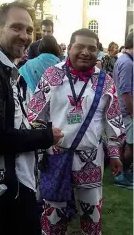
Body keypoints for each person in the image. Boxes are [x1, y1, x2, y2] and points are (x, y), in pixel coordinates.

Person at [0, 0, 63, 235]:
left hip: (16, 188)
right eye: (16, 28)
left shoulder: (4, 69)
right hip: (3, 194)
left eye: (29, 30)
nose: (25, 36)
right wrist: (44, 136)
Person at [27, 28, 124, 235]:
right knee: (53, 217)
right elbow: (34, 115)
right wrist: (41, 146)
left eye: (92, 48)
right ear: (69, 48)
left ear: (98, 52)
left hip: (91, 159)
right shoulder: (52, 75)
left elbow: (113, 119)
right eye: (80, 47)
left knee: (92, 218)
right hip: (56, 157)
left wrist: (114, 154)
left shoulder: (105, 81)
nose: (85, 52)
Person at [113, 32, 133, 188]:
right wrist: (132, 113)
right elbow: (126, 91)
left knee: (126, 143)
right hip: (126, 110)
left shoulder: (123, 60)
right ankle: (123, 176)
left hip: (123, 109)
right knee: (130, 145)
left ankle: (123, 173)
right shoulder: (127, 63)